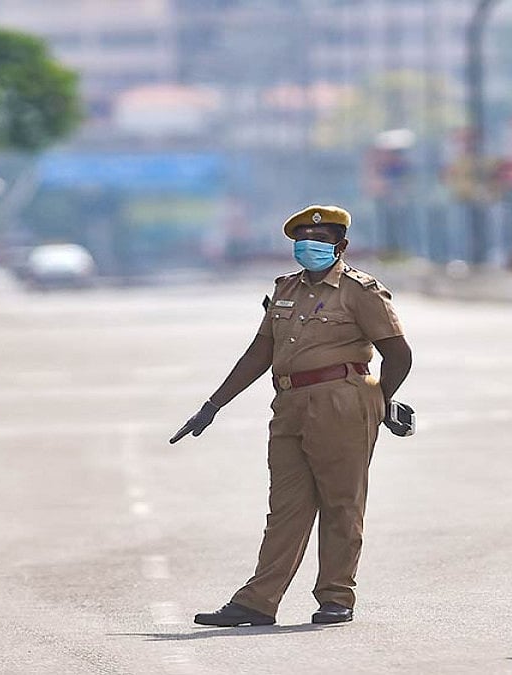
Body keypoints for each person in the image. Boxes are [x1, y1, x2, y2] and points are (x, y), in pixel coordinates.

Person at [170, 204, 413, 627]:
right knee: (284, 507)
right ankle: (259, 601)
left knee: (341, 502)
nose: (310, 246)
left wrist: (379, 401)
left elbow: (399, 354)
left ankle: (336, 597)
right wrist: (213, 406)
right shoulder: (286, 289)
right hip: (289, 405)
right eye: (303, 240)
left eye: (320, 240)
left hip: (342, 401)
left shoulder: (361, 291)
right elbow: (259, 353)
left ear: (342, 245)